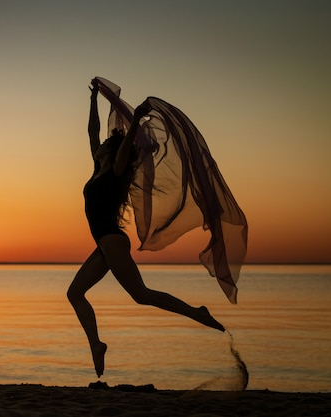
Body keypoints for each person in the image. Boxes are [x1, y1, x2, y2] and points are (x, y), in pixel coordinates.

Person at [67, 79, 225, 379]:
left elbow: (124, 147)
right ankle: (96, 345)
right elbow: (91, 132)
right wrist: (93, 101)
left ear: (112, 154)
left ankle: (197, 312)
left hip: (112, 241)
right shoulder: (98, 168)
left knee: (141, 294)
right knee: (75, 293)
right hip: (105, 243)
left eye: (103, 146)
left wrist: (138, 119)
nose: (97, 146)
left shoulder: (115, 170)